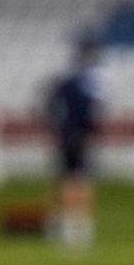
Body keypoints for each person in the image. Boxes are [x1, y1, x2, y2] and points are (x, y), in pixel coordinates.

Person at [45, 40, 102, 252]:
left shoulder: (64, 84)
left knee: (67, 181)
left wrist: (56, 128)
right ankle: (79, 231)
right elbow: (91, 115)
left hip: (66, 136)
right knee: (81, 182)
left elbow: (50, 105)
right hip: (78, 137)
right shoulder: (86, 86)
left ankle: (68, 229)